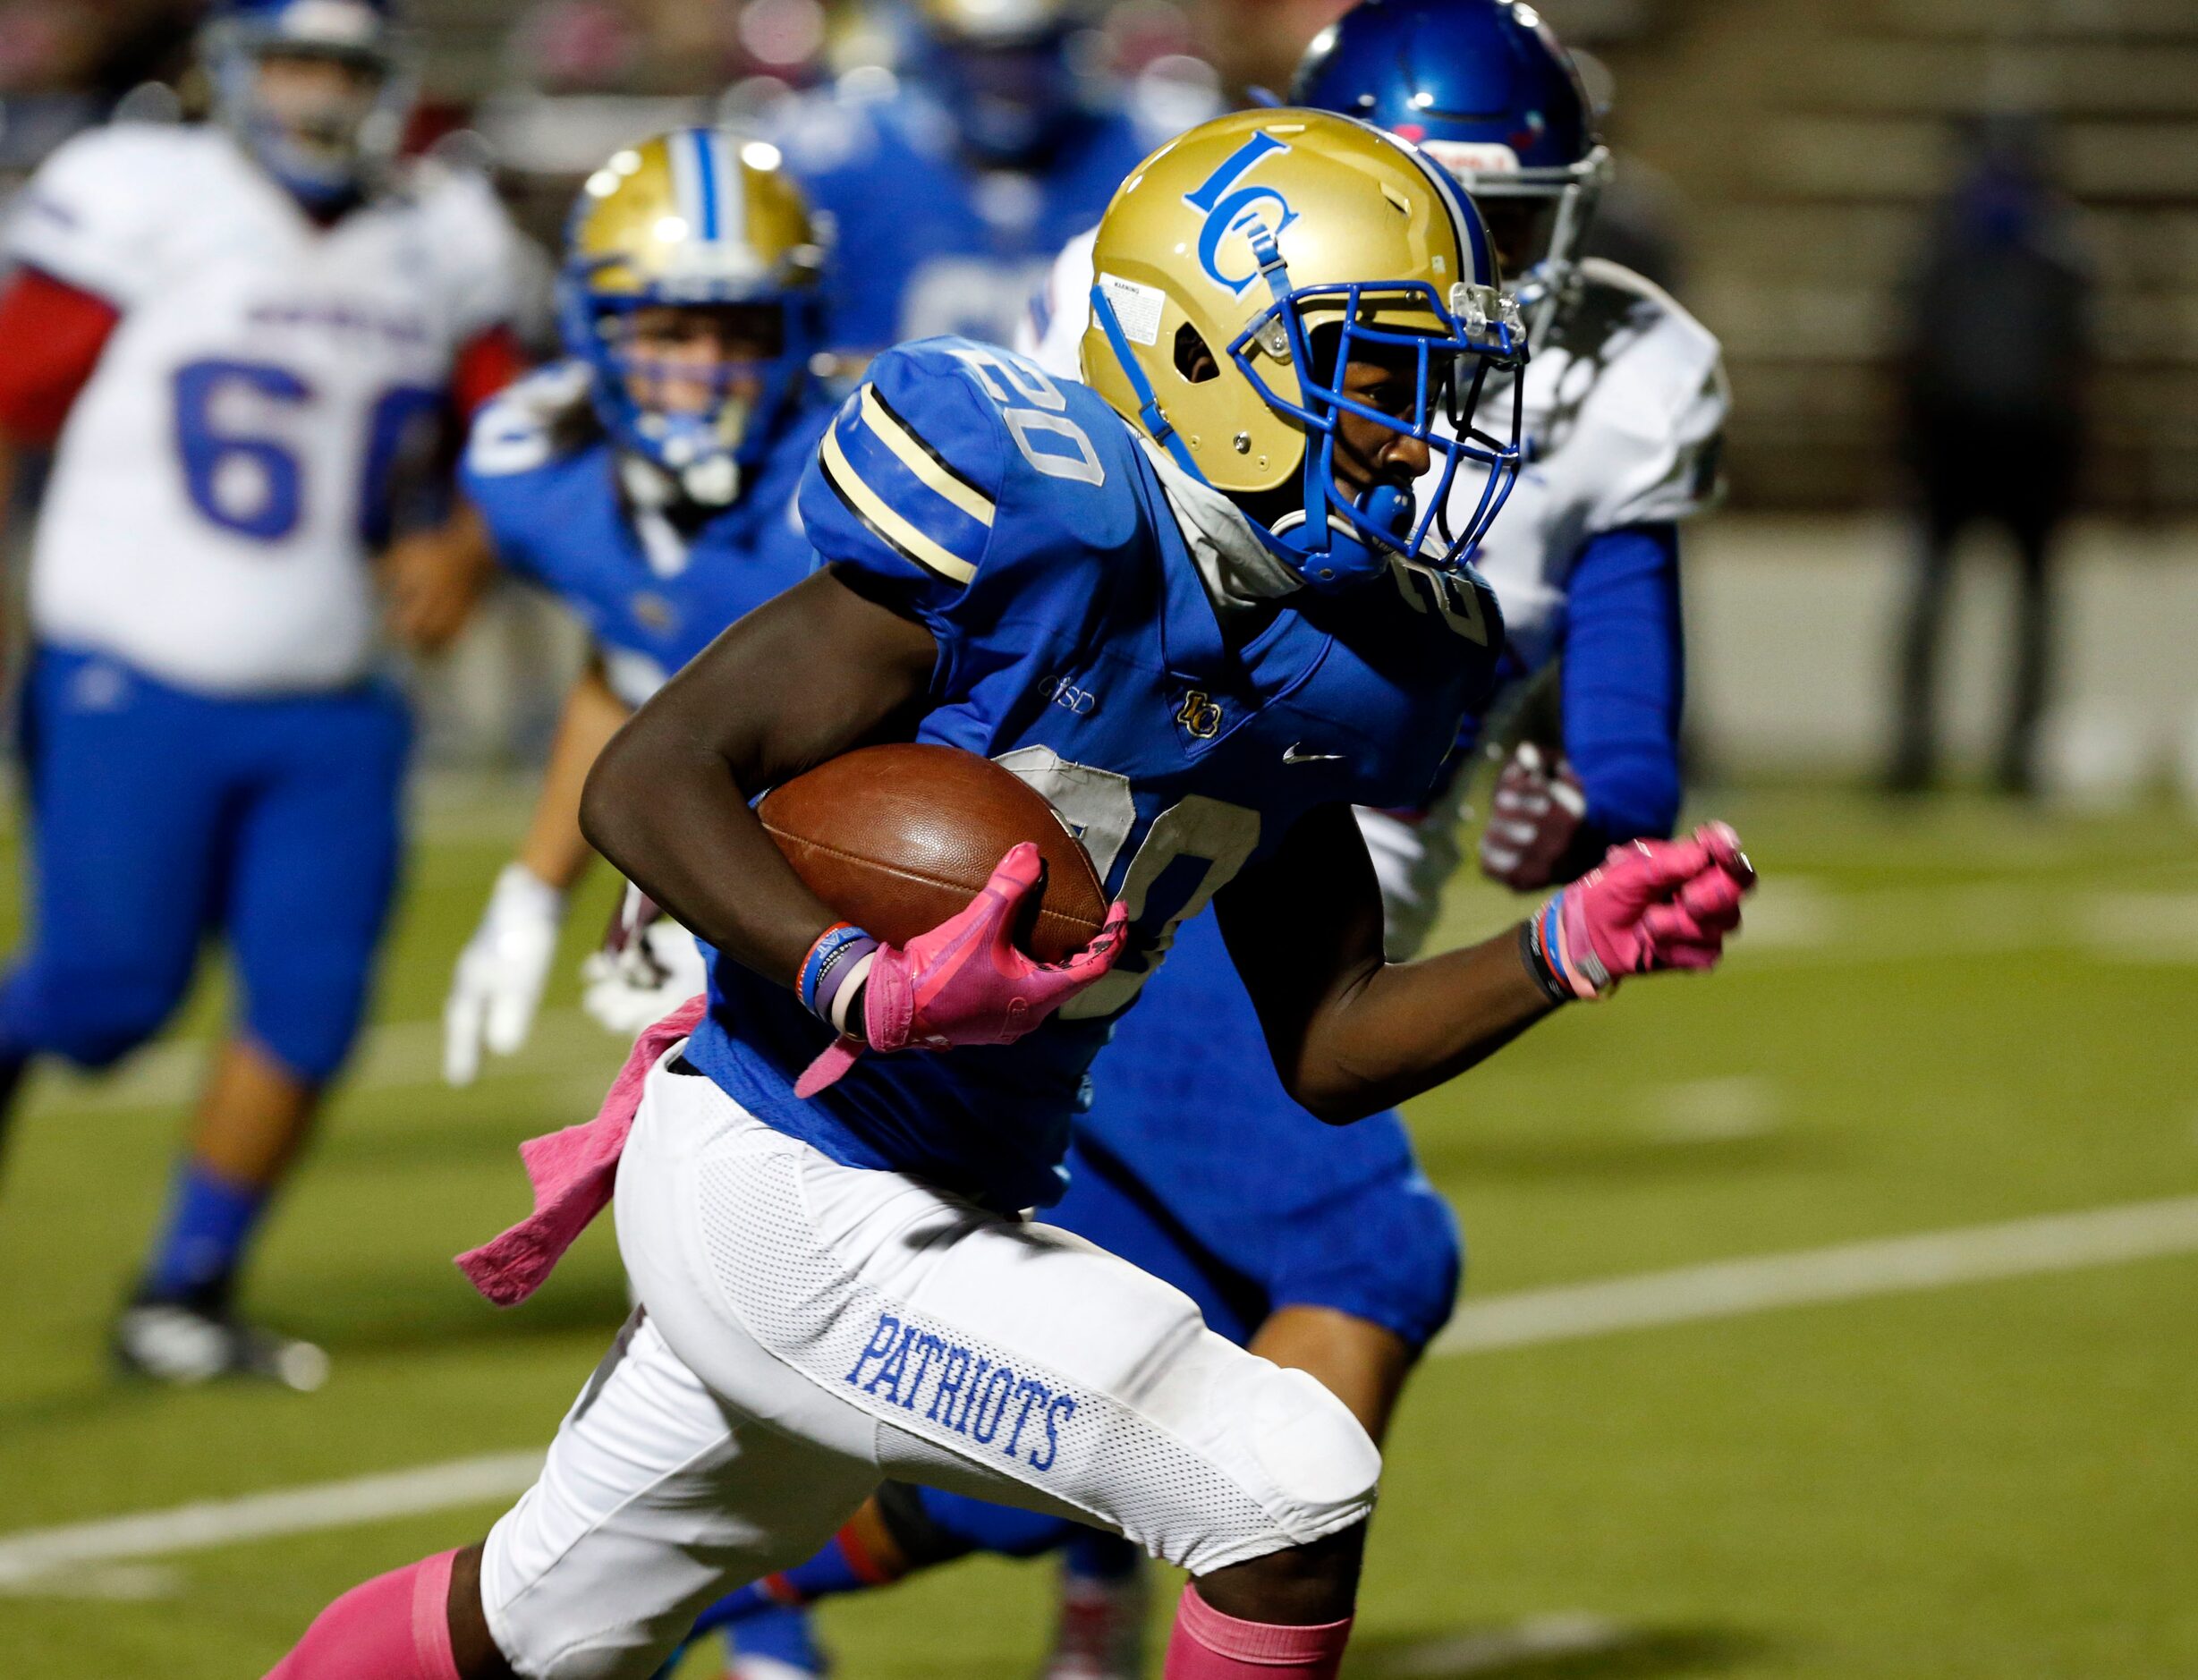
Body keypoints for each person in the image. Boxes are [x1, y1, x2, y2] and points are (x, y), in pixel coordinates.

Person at [265, 107, 1752, 1680]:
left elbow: (1329, 1044)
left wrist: (1564, 946)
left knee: (524, 1627)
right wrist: (851, 970)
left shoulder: (1338, 659)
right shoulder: (1035, 522)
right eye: (1374, 375)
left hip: (942, 1190)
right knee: (1287, 1477)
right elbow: (651, 769)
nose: (1411, 434)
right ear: (1205, 354)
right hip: (787, 1168)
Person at [691, 4, 1729, 1672]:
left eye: (1515, 224)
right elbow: (1002, 614)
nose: (1479, 276)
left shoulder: (1624, 376)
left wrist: (1592, 831)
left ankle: (753, 1591)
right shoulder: (1161, 299)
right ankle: (1187, 1581)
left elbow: (1622, 717)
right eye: (1424, 206)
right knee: (1366, 1254)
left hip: (1328, 882)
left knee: (1107, 1394)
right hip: (1147, 878)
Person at [0, 0, 525, 1387]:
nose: (316, 93)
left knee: (309, 1000)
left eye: (344, 68)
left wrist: (464, 538)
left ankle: (184, 1289)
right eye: (295, 60)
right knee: (103, 1000)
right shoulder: (143, 195)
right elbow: (14, 385)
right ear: (233, 70)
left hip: (336, 690)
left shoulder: (437, 232)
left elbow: (516, 429)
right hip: (135, 667)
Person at [441, 127, 837, 1093]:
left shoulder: (857, 478)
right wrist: (533, 890)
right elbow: (634, 670)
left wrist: (730, 904)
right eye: (669, 331)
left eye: (738, 334)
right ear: (593, 328)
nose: (703, 367)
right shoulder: (538, 468)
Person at [769, 0, 1204, 355]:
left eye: (1029, 55)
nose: (1007, 83)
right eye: (982, 58)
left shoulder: (1151, 152)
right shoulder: (840, 158)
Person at [1887, 114, 2091, 798]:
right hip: (2000, 450)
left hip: (1982, 450)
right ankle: (1979, 753)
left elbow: (1908, 354)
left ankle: (1960, 753)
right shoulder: (2047, 253)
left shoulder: (1953, 248)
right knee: (1974, 604)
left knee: (1952, 601)